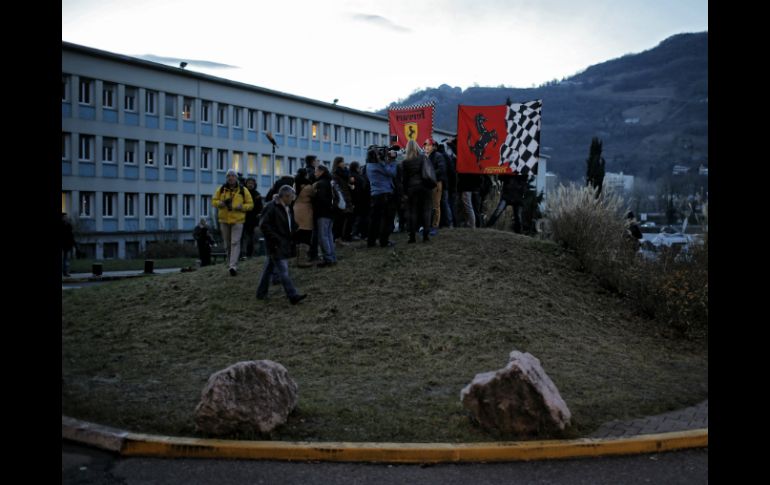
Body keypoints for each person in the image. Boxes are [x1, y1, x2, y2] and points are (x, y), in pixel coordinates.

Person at [256, 185, 307, 304]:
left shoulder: (287, 207)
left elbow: (289, 224)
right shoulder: (271, 207)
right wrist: (275, 239)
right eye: (292, 197)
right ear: (285, 196)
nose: (293, 199)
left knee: (268, 269)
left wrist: (296, 230)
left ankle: (261, 293)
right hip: (276, 244)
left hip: (281, 243)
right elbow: (263, 225)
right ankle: (293, 295)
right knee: (283, 271)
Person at [212, 168, 254, 276]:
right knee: (227, 244)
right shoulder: (221, 189)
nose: (231, 178)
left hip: (238, 220)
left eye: (233, 176)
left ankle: (233, 266)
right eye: (228, 176)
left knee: (235, 242)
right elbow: (213, 201)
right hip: (224, 220)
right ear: (226, 178)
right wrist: (219, 203)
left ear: (236, 178)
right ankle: (230, 261)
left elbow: (251, 204)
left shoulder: (243, 190)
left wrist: (242, 207)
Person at [365, 145, 398, 248]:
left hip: (375, 195)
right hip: (385, 194)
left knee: (375, 220)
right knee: (387, 219)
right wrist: (392, 160)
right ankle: (384, 241)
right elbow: (392, 173)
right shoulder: (378, 166)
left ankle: (371, 242)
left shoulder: (369, 166)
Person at [401, 140, 433, 243]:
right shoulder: (423, 157)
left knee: (412, 212)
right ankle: (426, 235)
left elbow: (404, 179)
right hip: (425, 187)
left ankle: (412, 236)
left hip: (412, 189)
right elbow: (428, 171)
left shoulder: (405, 162)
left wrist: (405, 192)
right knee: (426, 210)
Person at [311, 164, 337, 266]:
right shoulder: (330, 182)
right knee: (329, 235)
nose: (315, 173)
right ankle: (332, 257)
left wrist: (313, 198)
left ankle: (328, 259)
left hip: (323, 213)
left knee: (323, 236)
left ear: (321, 171)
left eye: (316, 171)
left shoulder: (320, 183)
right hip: (331, 212)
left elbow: (321, 199)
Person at [424, 138, 448, 236]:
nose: (427, 147)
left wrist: (430, 174)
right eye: (426, 145)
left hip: (436, 183)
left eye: (429, 145)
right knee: (431, 204)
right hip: (430, 183)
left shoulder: (438, 156)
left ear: (434, 146)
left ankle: (435, 226)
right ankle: (430, 225)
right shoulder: (427, 156)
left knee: (436, 205)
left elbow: (442, 169)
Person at [293, 168, 315, 268]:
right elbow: (315, 196)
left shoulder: (295, 184)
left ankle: (297, 259)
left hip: (296, 210)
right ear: (306, 175)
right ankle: (302, 260)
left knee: (299, 234)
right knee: (306, 235)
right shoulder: (309, 186)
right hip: (306, 210)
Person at [331, 157, 354, 243]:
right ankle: (337, 238)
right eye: (342, 162)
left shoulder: (345, 173)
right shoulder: (336, 174)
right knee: (339, 220)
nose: (344, 163)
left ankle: (344, 236)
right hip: (340, 198)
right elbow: (336, 188)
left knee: (347, 217)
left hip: (347, 197)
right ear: (338, 163)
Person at [242, 177, 264, 258]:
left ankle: (254, 256)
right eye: (249, 183)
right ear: (246, 184)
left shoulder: (257, 195)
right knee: (245, 240)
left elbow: (260, 208)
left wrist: (260, 214)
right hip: (245, 220)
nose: (250, 185)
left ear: (254, 185)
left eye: (252, 183)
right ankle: (244, 255)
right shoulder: (243, 194)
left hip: (255, 221)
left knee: (255, 239)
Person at [349, 161, 370, 240]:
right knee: (359, 218)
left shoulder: (355, 176)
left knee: (358, 218)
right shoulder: (357, 177)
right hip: (360, 200)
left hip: (359, 200)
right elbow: (356, 189)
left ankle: (357, 233)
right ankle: (356, 234)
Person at [61, 213, 77, 277]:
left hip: (67, 244)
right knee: (65, 259)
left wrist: (73, 244)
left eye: (66, 217)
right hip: (64, 243)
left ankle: (65, 272)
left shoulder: (69, 225)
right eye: (65, 217)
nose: (66, 218)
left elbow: (71, 236)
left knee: (66, 259)